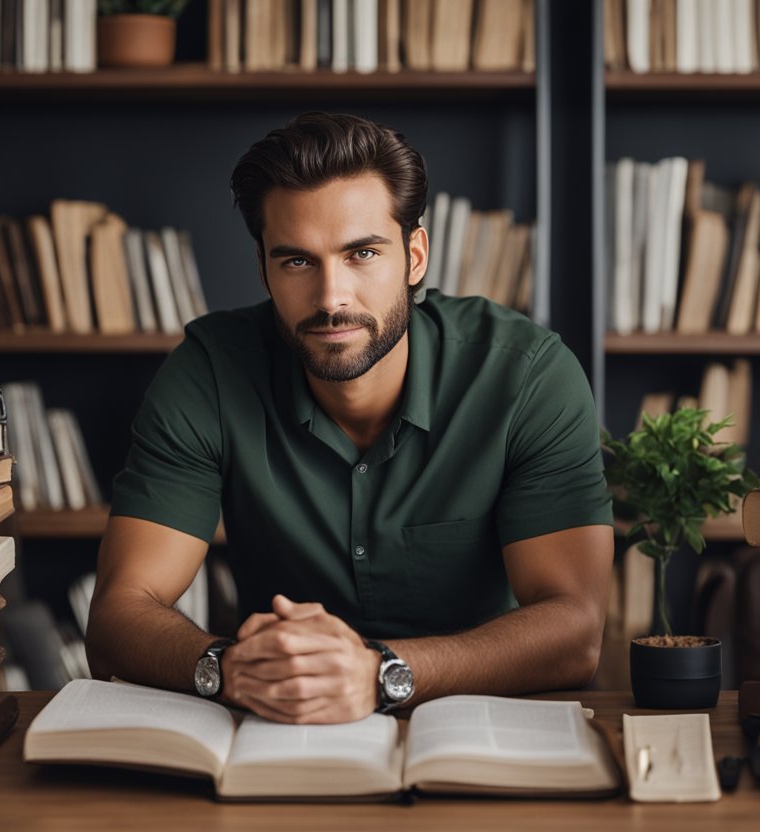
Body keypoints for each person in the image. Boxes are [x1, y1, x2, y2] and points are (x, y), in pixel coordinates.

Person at [86, 112, 614, 725]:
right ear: (262, 268)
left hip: (474, 732)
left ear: (414, 256)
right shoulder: (209, 372)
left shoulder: (525, 377)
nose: (332, 298)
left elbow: (575, 631)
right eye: (297, 262)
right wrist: (229, 668)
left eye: (362, 253)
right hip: (280, 724)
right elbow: (119, 614)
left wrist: (378, 674)